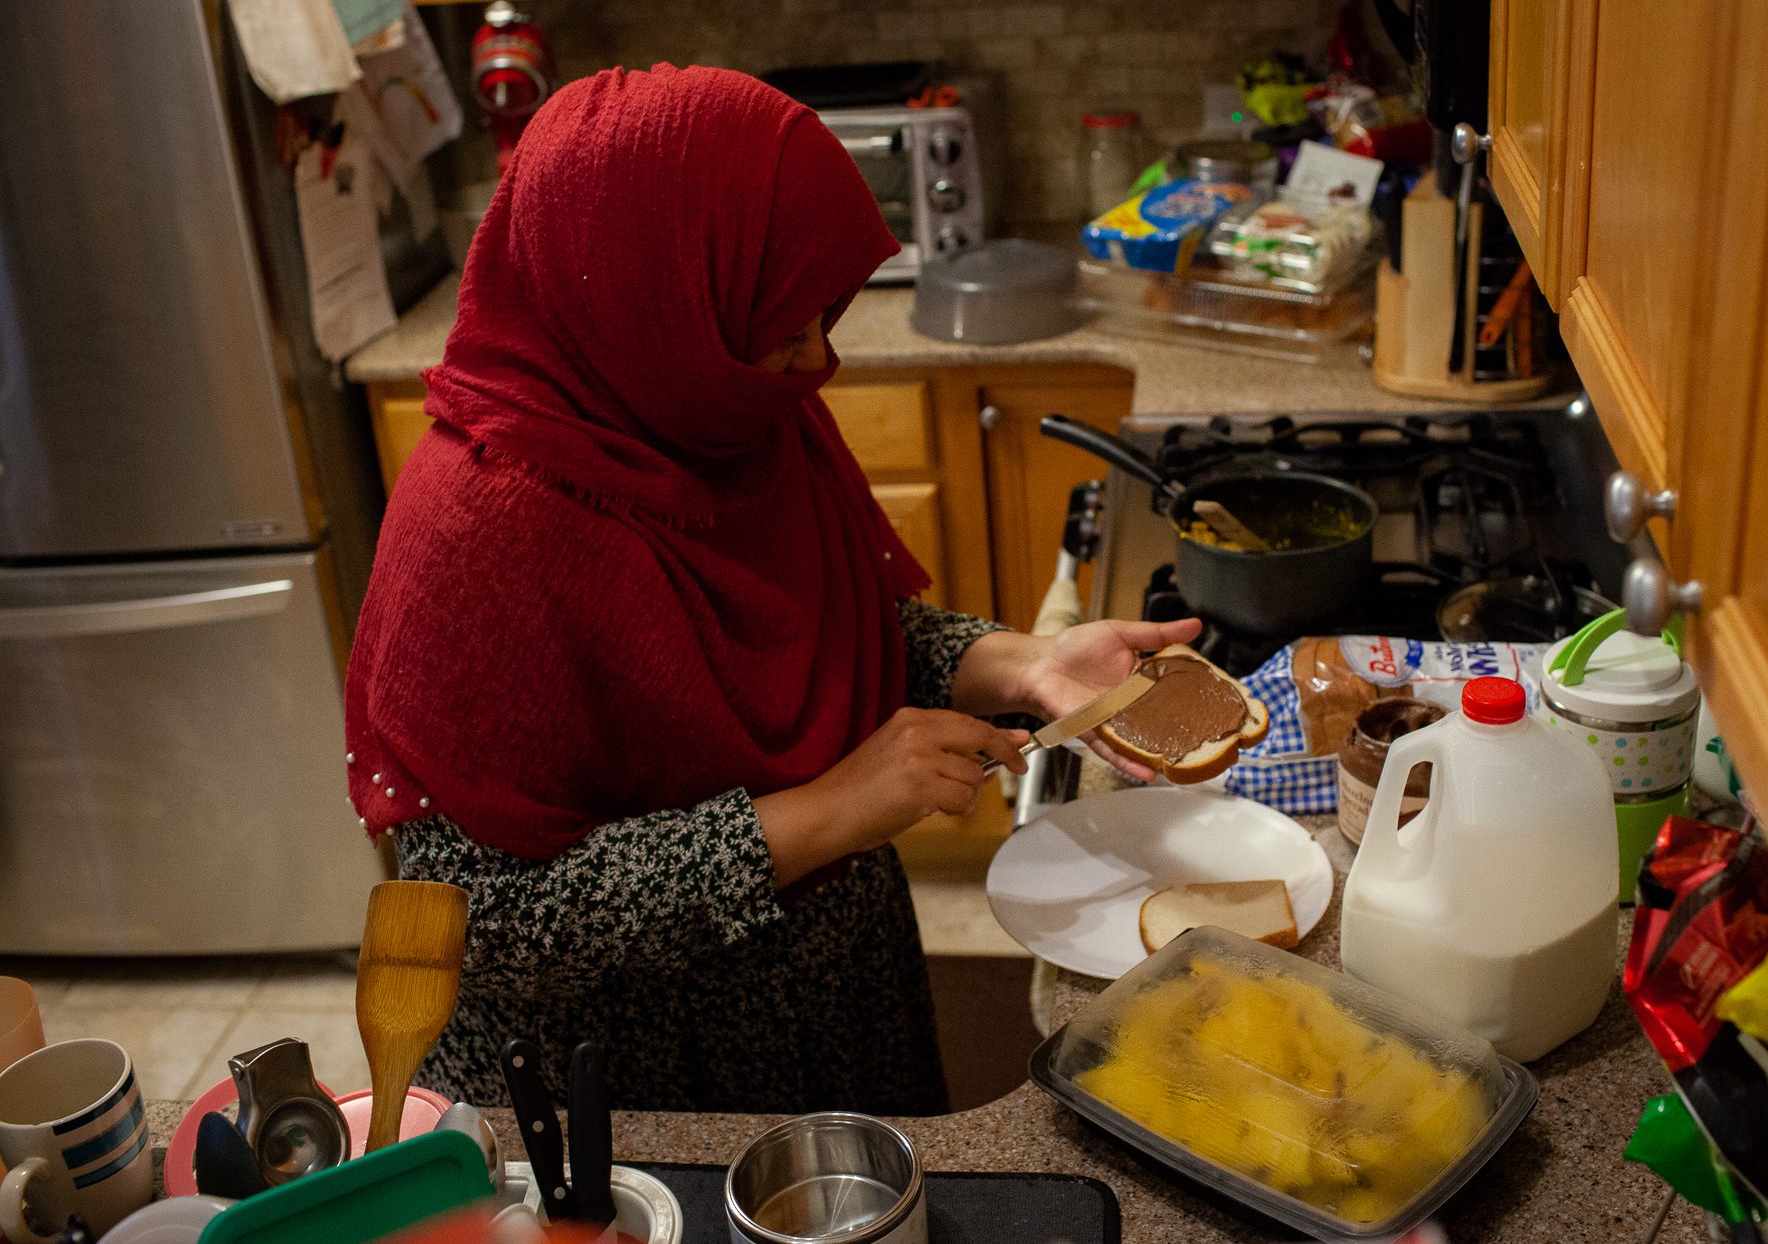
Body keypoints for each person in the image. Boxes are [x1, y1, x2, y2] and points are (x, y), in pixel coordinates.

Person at [343, 64, 1197, 1115]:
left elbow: (817, 633)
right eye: (789, 328)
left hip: (834, 998)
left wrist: (1021, 663)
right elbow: (483, 921)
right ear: (656, 299)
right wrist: (827, 810)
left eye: (820, 320)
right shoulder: (482, 525)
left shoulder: (726, 407)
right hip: (631, 1087)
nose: (816, 362)